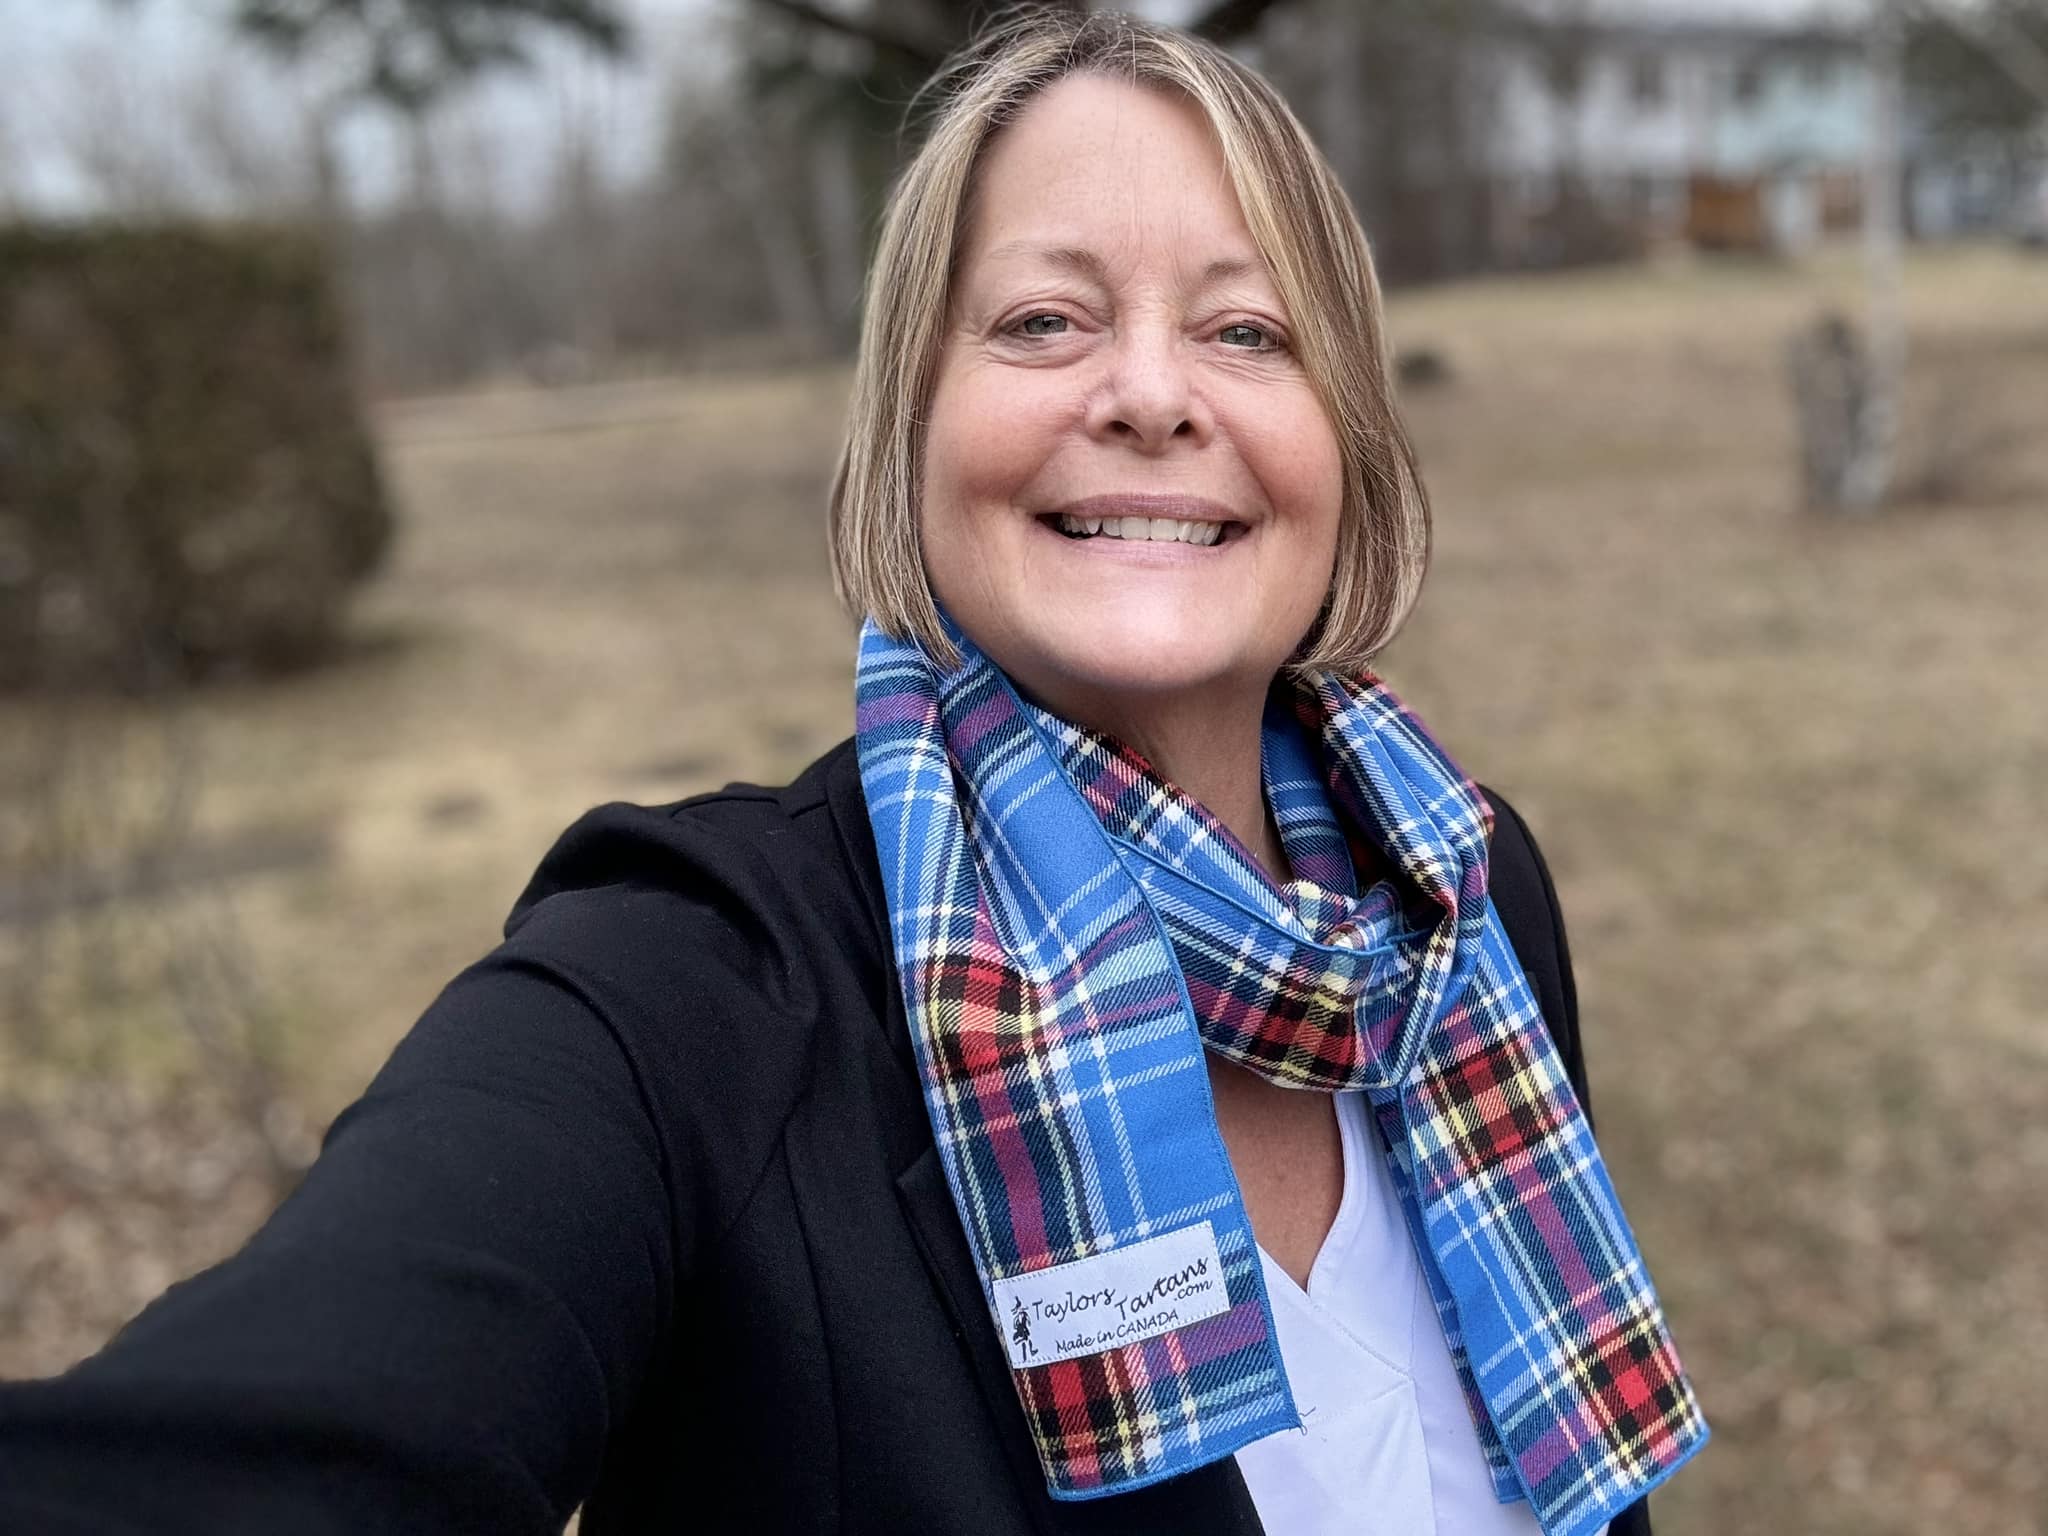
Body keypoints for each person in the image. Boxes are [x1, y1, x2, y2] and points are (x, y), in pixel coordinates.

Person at [0, 12, 1707, 1535]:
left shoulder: (1461, 898)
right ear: (913, 422)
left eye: (1249, 334)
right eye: (1044, 319)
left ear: (1349, 437)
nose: (1148, 393)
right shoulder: (694, 989)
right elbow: (304, 1436)